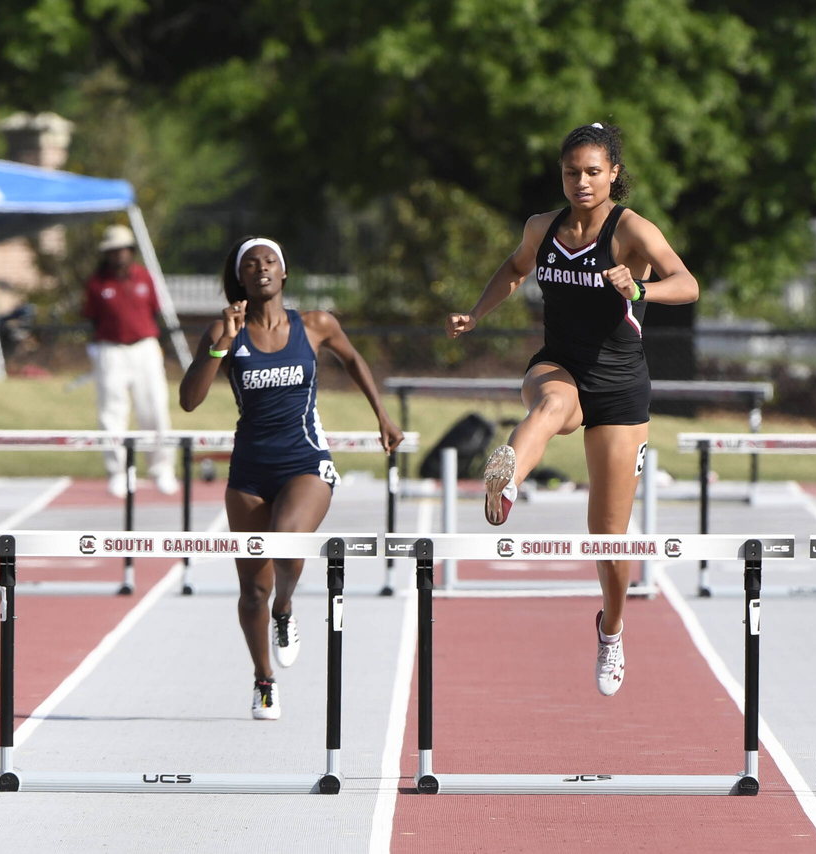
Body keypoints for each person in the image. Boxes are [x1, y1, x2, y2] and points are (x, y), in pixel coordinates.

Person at [446, 122, 698, 697]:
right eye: (570, 172)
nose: (580, 182)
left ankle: (612, 628)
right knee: (552, 404)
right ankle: (506, 478)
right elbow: (514, 270)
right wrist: (476, 314)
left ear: (613, 174)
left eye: (591, 172)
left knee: (608, 534)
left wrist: (639, 290)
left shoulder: (630, 229)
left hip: (619, 383)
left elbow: (688, 284)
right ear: (560, 175)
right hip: (558, 362)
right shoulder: (543, 228)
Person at [179, 236, 404, 720]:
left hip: (305, 461)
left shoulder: (315, 324)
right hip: (249, 472)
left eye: (270, 262)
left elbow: (354, 359)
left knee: (286, 543)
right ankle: (264, 678)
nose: (261, 269)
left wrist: (381, 416)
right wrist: (221, 346)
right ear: (241, 278)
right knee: (251, 589)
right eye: (252, 264)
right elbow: (189, 400)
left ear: (284, 273)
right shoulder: (225, 329)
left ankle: (286, 608)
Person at [83, 224, 179, 498]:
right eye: (113, 251)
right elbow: (91, 317)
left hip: (144, 348)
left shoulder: (144, 277)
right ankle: (119, 472)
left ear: (131, 252)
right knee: (112, 412)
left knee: (155, 408)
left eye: (123, 250)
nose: (118, 256)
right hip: (111, 350)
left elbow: (155, 311)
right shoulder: (97, 283)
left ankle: (162, 469)